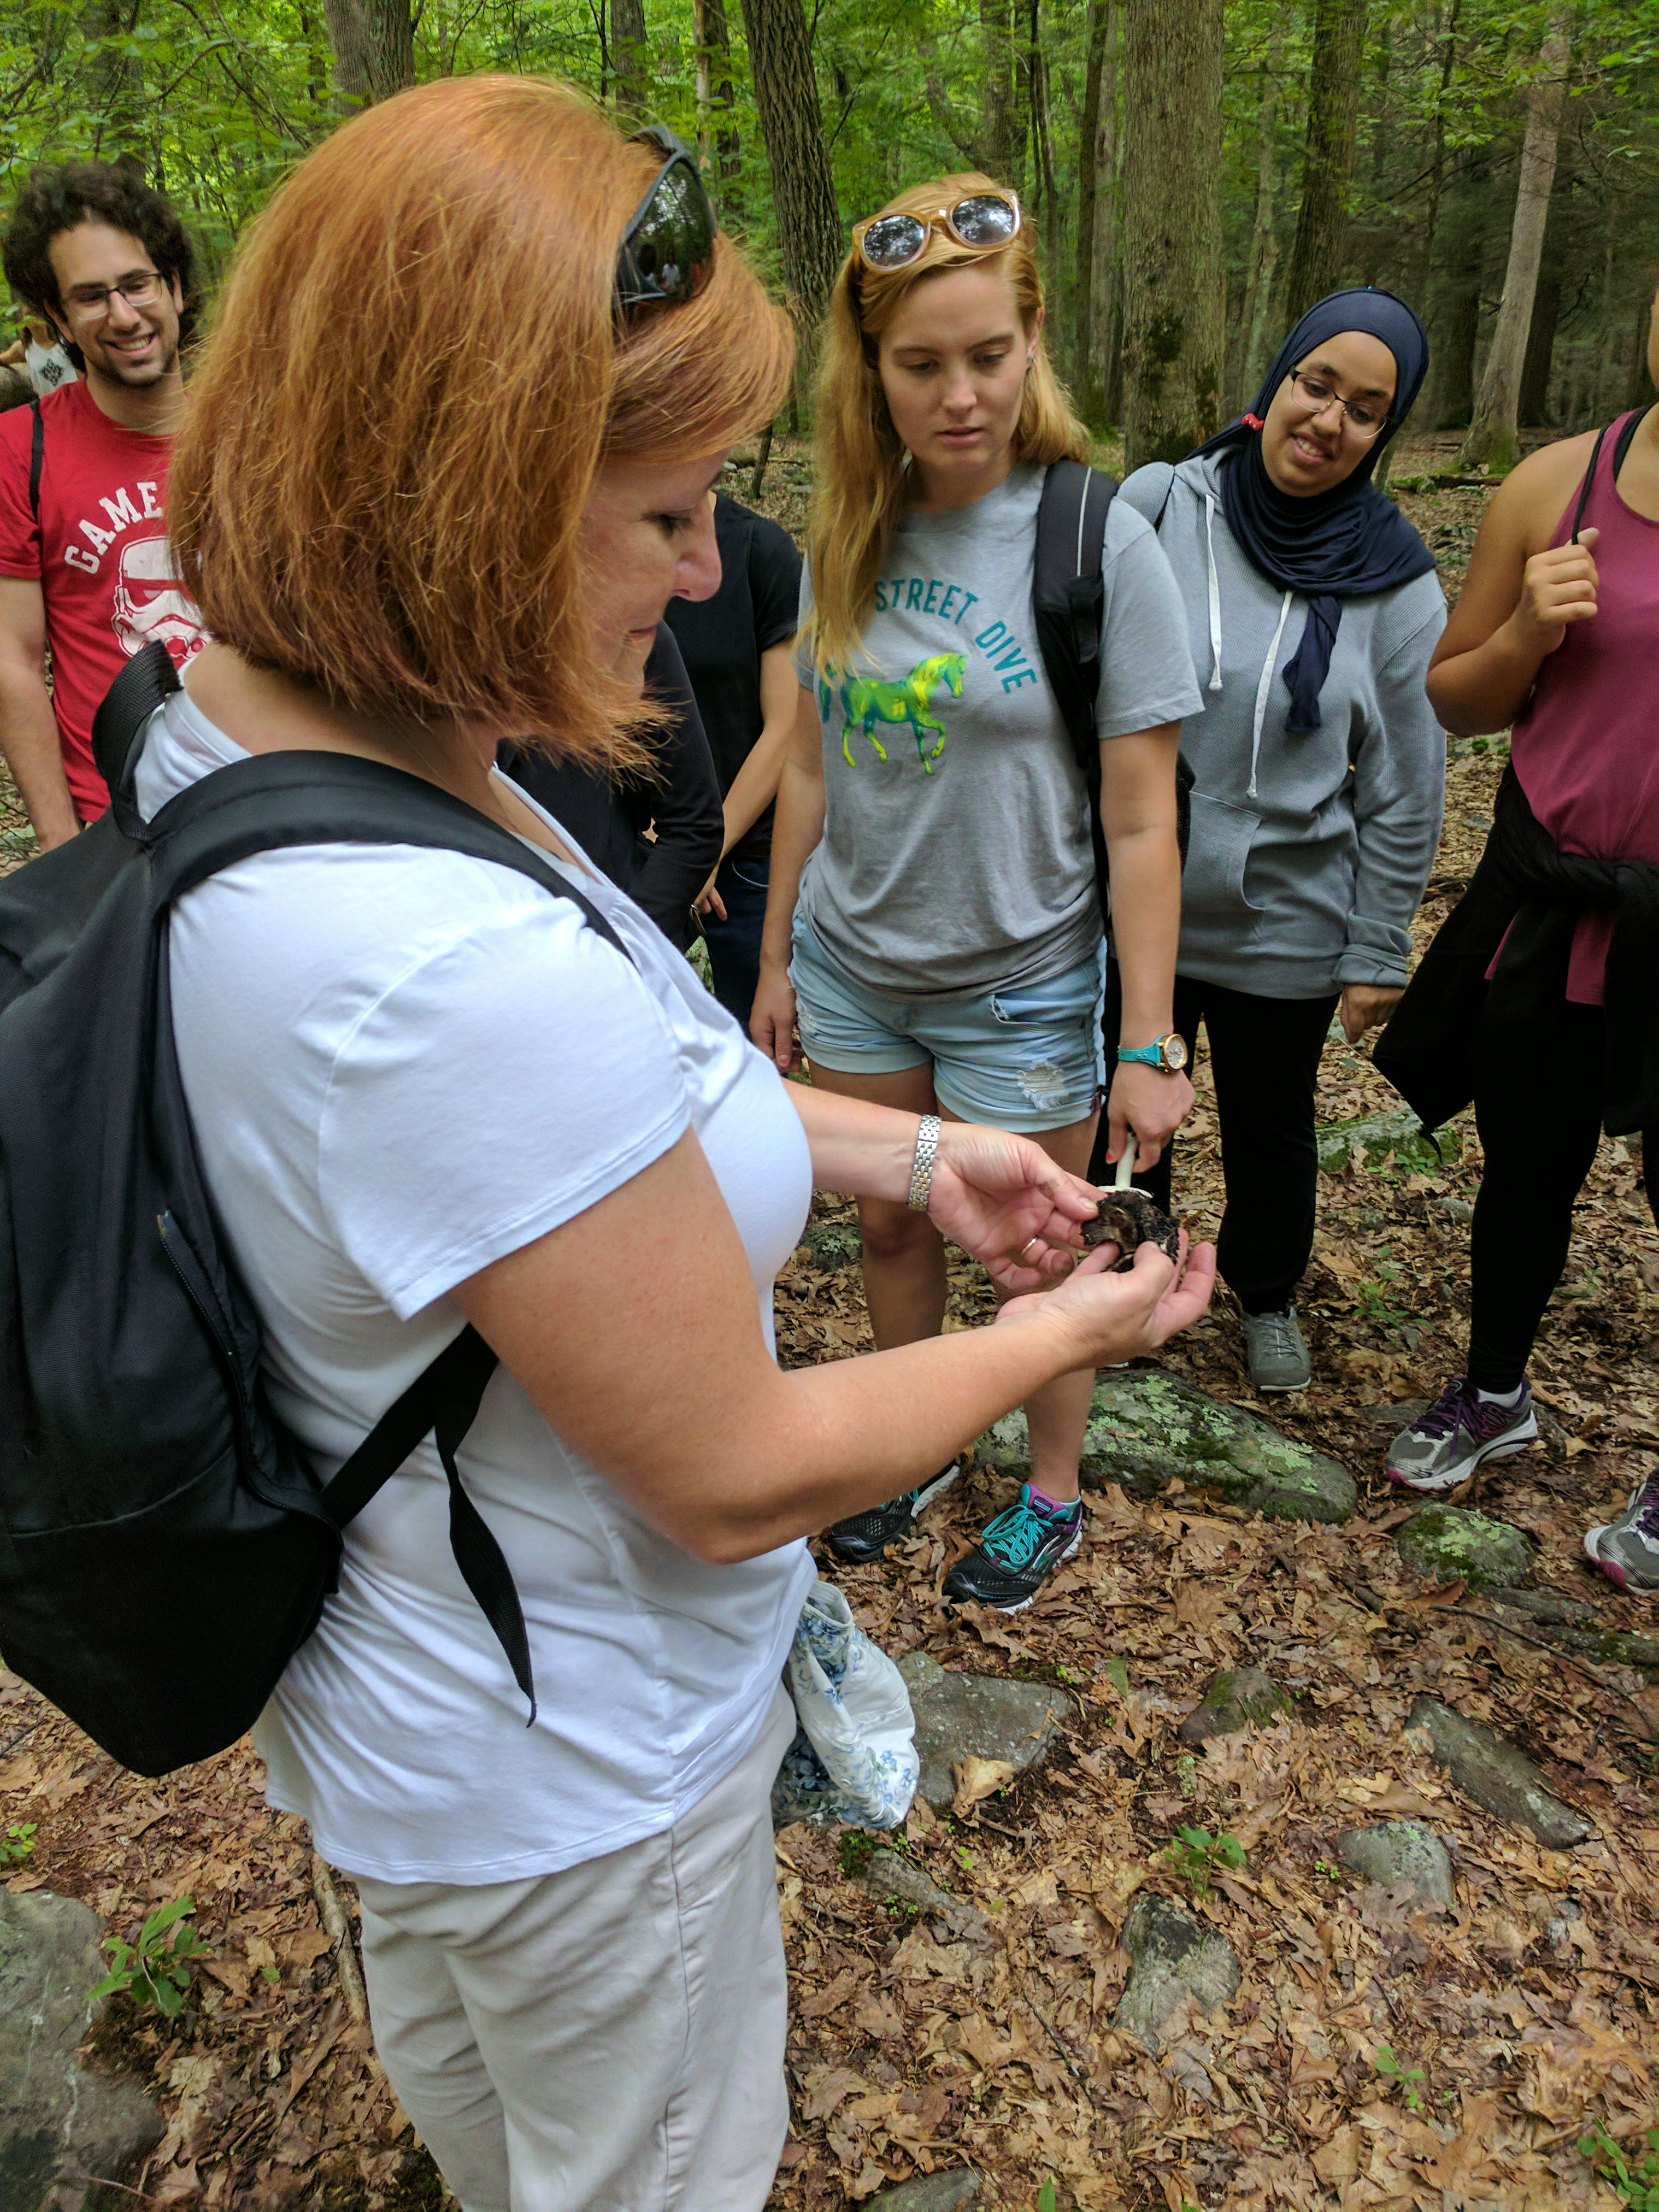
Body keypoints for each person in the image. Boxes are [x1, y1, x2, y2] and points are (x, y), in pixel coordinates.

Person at [154, 83, 1214, 2211]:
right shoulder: (441, 969)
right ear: (462, 509)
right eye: (660, 510)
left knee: (489, 2124)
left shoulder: (258, 726)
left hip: (408, 1703)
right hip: (576, 1787)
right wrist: (1070, 1327)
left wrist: (918, 1167)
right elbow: (732, 1470)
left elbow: (622, 1090)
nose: (712, 567)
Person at [750, 175, 1204, 1613]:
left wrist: (1146, 1043)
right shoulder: (844, 534)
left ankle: (1050, 1493)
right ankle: (911, 1443)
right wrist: (772, 959)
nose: (960, 396)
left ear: (1033, 341)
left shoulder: (1095, 541)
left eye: (988, 356)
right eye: (920, 365)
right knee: (892, 1220)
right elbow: (811, 771)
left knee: (1037, 1256)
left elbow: (1141, 816)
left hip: (1019, 974)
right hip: (854, 963)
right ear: (867, 371)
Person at [1105, 288, 1447, 1393]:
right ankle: (1121, 1277)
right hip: (1139, 896)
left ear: (1383, 432)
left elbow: (1406, 781)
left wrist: (1375, 946)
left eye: (1365, 406)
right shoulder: (1163, 503)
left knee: (1269, 1124)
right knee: (1125, 1109)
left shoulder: (1398, 580)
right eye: (1317, 384)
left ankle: (1266, 1290)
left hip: (1286, 912)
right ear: (1277, 382)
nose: (1330, 418)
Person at [1376, 301, 1659, 1592]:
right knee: (1524, 1171)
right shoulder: (1556, 484)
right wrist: (1528, 635)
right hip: (1548, 905)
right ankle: (1493, 1391)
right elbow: (1451, 697)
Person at [0, 162, 205, 848]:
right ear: (58, 317)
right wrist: (64, 849)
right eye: (90, 297)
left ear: (174, 287)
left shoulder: (257, 435)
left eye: (137, 284)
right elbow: (14, 662)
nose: (122, 316)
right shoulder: (18, 450)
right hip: (120, 825)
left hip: (270, 799)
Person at [664, 487, 802, 1025]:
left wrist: (704, 844)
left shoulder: (759, 551)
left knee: (760, 1059)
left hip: (751, 863)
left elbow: (788, 726)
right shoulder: (606, 543)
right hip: (646, 848)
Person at [506, 621, 723, 948]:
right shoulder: (435, 645)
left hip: (603, 934)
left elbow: (694, 823)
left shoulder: (632, 631)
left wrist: (624, 941)